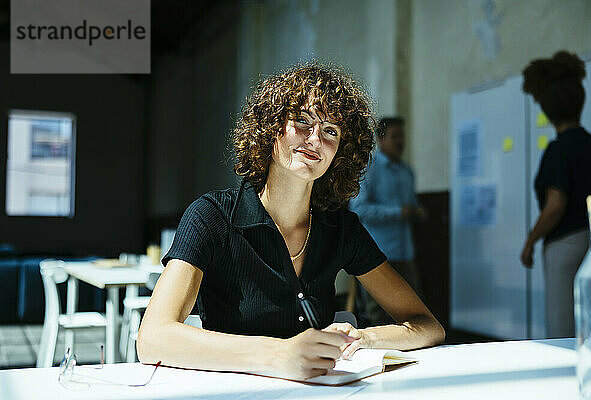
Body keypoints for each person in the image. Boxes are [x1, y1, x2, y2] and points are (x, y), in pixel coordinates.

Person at [137, 64, 445, 381]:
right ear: (271, 128)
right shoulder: (212, 216)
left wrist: (363, 337)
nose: (315, 139)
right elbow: (152, 338)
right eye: (302, 121)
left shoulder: (341, 227)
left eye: (331, 131)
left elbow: (427, 326)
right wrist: (279, 355)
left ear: (340, 152)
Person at [519, 51, 591, 338]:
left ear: (547, 106)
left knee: (562, 326)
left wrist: (530, 240)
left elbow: (555, 205)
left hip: (565, 245)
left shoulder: (558, 150)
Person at [349, 117, 426, 326]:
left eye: (402, 136)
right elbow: (358, 209)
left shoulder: (407, 171)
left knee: (414, 317)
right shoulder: (368, 169)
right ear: (381, 139)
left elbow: (410, 205)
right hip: (378, 255)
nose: (401, 141)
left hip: (405, 252)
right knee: (377, 317)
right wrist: (399, 212)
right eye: (395, 136)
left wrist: (417, 211)